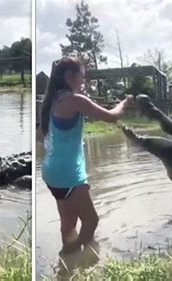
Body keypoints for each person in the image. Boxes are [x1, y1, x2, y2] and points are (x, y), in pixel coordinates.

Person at [40, 57, 132, 253]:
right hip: (68, 174)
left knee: (68, 221)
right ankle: (79, 259)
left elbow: (42, 136)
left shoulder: (52, 100)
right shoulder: (75, 100)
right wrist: (124, 103)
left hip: (51, 172)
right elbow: (111, 116)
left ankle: (66, 264)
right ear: (69, 76)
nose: (84, 81)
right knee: (91, 220)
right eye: (82, 76)